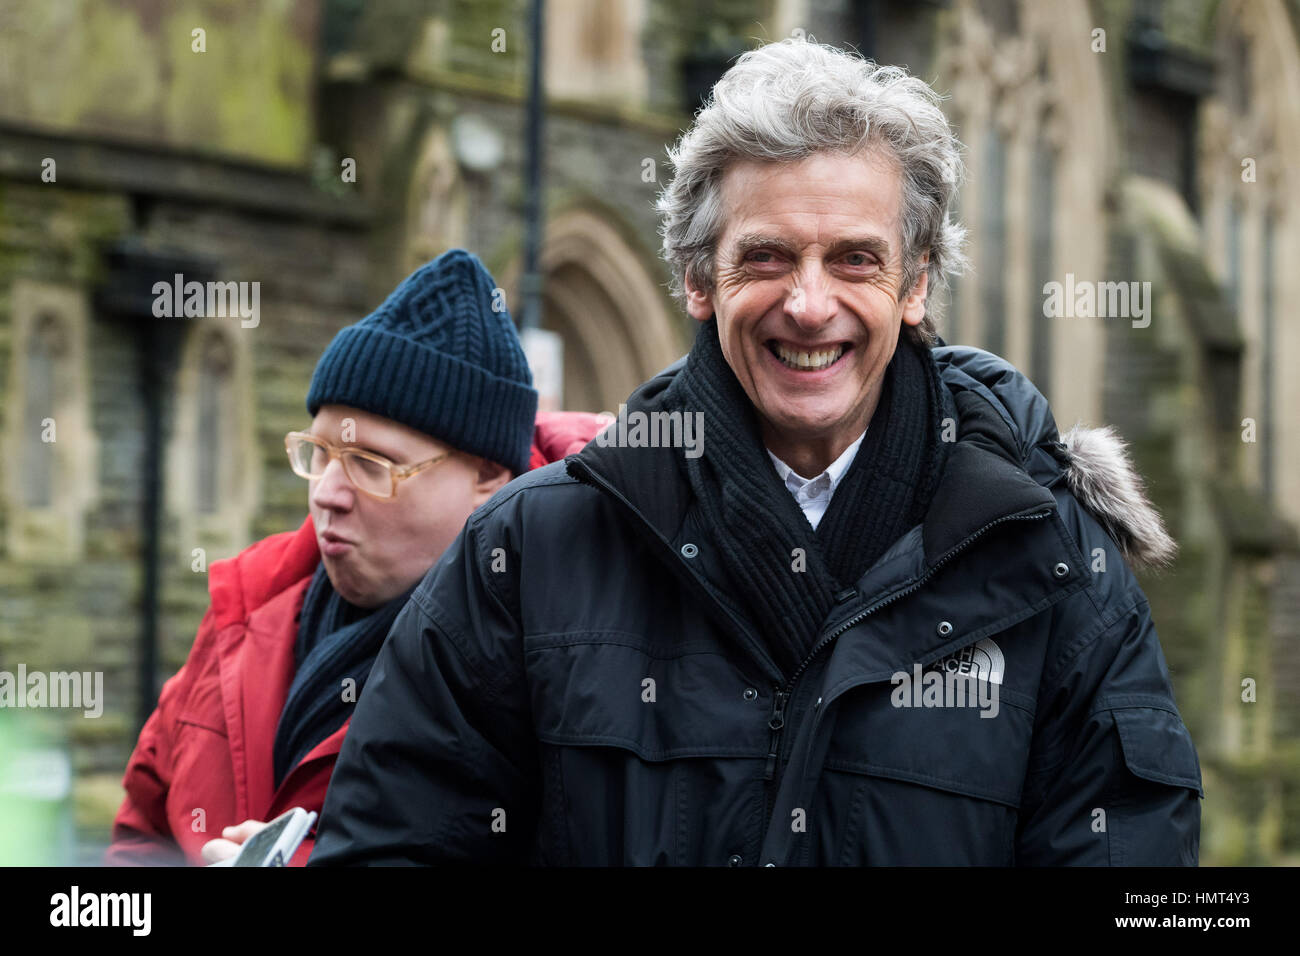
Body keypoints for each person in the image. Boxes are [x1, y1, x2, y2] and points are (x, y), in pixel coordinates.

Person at [310, 39, 1202, 866]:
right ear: (699, 278)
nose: (809, 305)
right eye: (767, 256)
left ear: (918, 283)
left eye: (856, 259)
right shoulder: (529, 553)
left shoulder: (1058, 568)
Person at [105, 249, 606, 866]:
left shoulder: (566, 651)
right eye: (317, 453)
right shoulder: (247, 605)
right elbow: (142, 827)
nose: (326, 493)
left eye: (371, 464)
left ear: (488, 475)